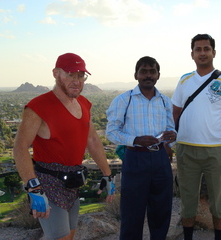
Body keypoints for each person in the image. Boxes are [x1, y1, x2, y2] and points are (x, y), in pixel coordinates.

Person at [13, 53, 114, 240]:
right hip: (47, 183)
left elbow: (92, 140)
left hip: (72, 183)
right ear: (56, 74)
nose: (76, 81)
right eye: (70, 75)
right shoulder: (38, 107)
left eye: (80, 76)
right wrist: (33, 188)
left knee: (70, 235)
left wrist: (107, 174)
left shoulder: (84, 104)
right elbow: (20, 148)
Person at [171, 34, 221, 240]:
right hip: (186, 149)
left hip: (215, 150)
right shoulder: (184, 80)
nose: (202, 53)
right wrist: (171, 143)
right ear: (192, 54)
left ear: (214, 53)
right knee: (187, 199)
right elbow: (175, 113)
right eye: (198, 49)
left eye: (206, 49)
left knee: (219, 201)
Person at [106, 56, 177, 240]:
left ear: (158, 75)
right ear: (136, 75)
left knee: (161, 210)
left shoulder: (164, 101)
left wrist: (172, 137)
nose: (148, 75)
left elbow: (170, 130)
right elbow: (111, 132)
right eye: (144, 71)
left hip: (160, 159)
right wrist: (135, 139)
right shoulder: (124, 100)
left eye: (152, 71)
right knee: (132, 212)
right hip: (135, 159)